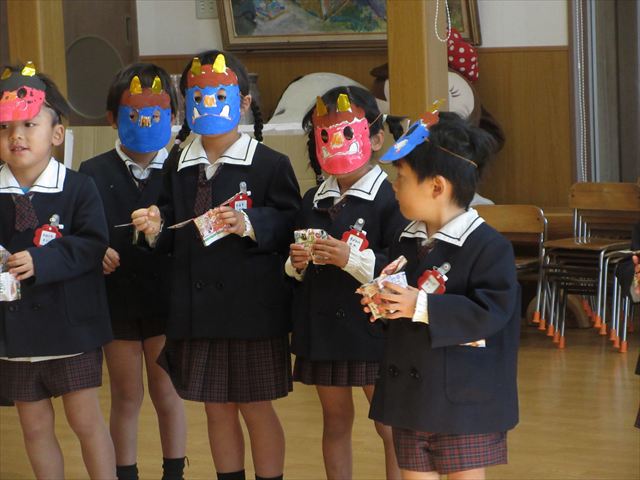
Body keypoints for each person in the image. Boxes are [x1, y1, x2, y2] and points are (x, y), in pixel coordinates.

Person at [131, 50, 301, 480]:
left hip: (251, 311)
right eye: (197, 95)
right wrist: (154, 226)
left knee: (255, 407)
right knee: (215, 407)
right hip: (197, 310)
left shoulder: (270, 164)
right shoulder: (178, 163)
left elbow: (290, 224)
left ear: (243, 102)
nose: (207, 104)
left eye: (219, 95)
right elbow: (170, 224)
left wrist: (251, 223)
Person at [363, 109, 520, 480]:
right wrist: (383, 303)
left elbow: (492, 311)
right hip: (410, 397)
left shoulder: (489, 246)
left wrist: (420, 305)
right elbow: (401, 307)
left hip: (463, 400)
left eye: (402, 178)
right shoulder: (405, 238)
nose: (394, 186)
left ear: (436, 187)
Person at [0, 63, 116, 479]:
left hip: (71, 331)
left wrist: (42, 261)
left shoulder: (78, 186)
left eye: (28, 124)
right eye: (5, 128)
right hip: (14, 336)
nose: (16, 136)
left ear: (56, 134)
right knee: (33, 427)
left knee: (86, 422)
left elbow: (92, 244)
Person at [286, 86, 406, 479]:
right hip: (324, 327)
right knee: (335, 421)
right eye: (325, 135)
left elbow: (401, 267)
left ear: (376, 137)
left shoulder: (392, 198)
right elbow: (294, 266)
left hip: (373, 328)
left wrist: (349, 258)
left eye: (347, 133)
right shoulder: (312, 199)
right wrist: (295, 263)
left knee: (389, 424)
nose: (335, 143)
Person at [79, 63, 187, 480]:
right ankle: (125, 473)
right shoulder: (92, 171)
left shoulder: (180, 167)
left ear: (172, 117)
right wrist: (96, 251)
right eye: (133, 113)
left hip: (166, 297)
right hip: (117, 299)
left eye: (156, 113)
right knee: (126, 394)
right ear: (113, 118)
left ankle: (174, 472)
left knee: (167, 391)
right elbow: (82, 231)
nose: (145, 121)